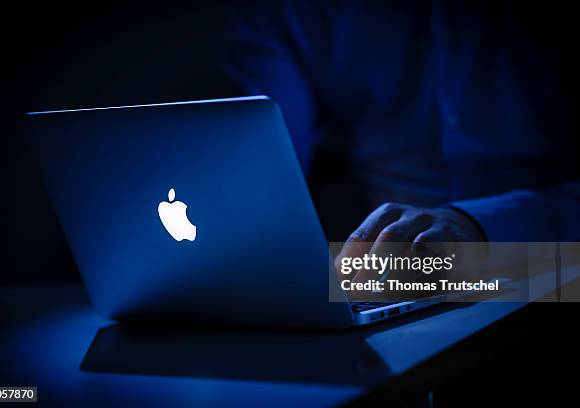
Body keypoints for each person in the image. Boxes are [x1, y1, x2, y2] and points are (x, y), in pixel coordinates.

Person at [225, 0, 580, 260]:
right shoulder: (282, 13)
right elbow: (265, 175)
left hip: (556, 261)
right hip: (394, 273)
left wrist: (483, 226)